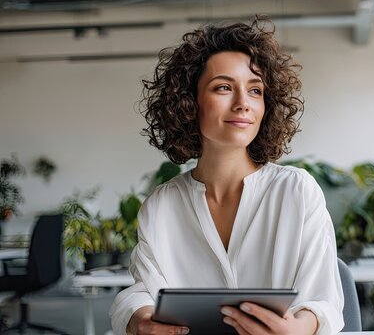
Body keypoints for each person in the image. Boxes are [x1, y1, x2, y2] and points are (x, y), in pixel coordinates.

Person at [110, 17, 344, 335]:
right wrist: (139, 319)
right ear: (190, 102)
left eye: (255, 90)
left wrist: (301, 328)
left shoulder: (296, 191)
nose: (242, 104)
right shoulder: (162, 205)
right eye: (223, 87)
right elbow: (141, 292)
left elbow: (325, 300)